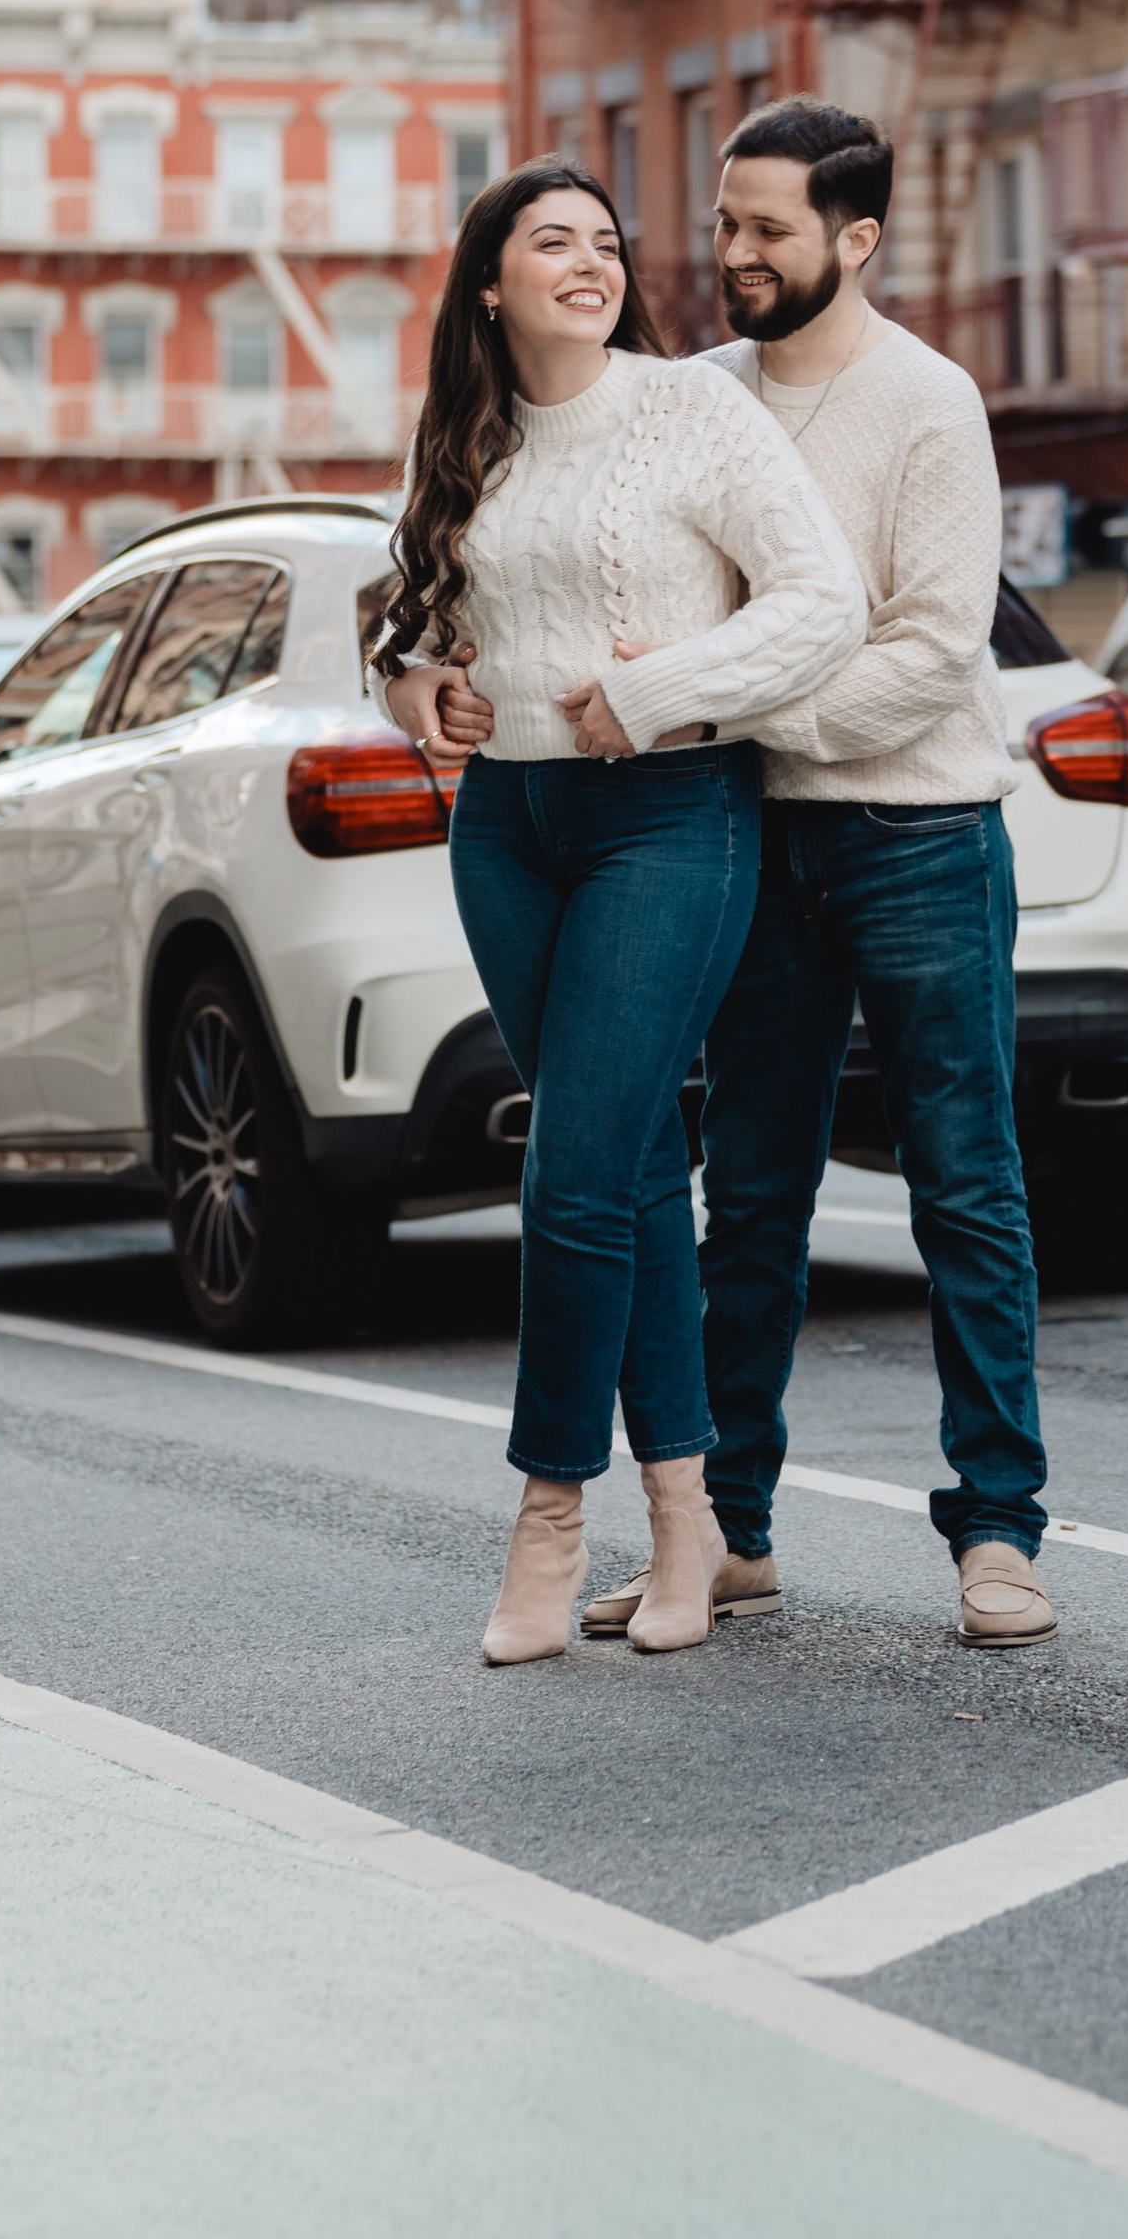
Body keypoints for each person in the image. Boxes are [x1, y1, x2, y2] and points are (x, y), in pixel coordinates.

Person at [433, 101, 1055, 1650]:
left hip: (912, 830)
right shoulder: (684, 394)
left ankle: (995, 1531)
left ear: (855, 239)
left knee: (963, 1189)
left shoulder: (930, 401)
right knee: (751, 1196)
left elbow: (929, 648)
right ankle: (738, 1532)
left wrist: (719, 703)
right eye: (722, 223)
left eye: (769, 229)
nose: (734, 255)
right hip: (747, 835)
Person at [374, 158, 866, 1669]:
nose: (590, 262)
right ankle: (686, 1518)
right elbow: (402, 616)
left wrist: (657, 690)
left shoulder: (689, 411)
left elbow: (821, 600)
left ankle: (545, 1516)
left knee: (575, 1177)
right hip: (505, 829)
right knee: (639, 1169)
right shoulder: (464, 436)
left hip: (666, 815)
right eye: (551, 243)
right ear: (489, 284)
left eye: (605, 242)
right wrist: (411, 685)